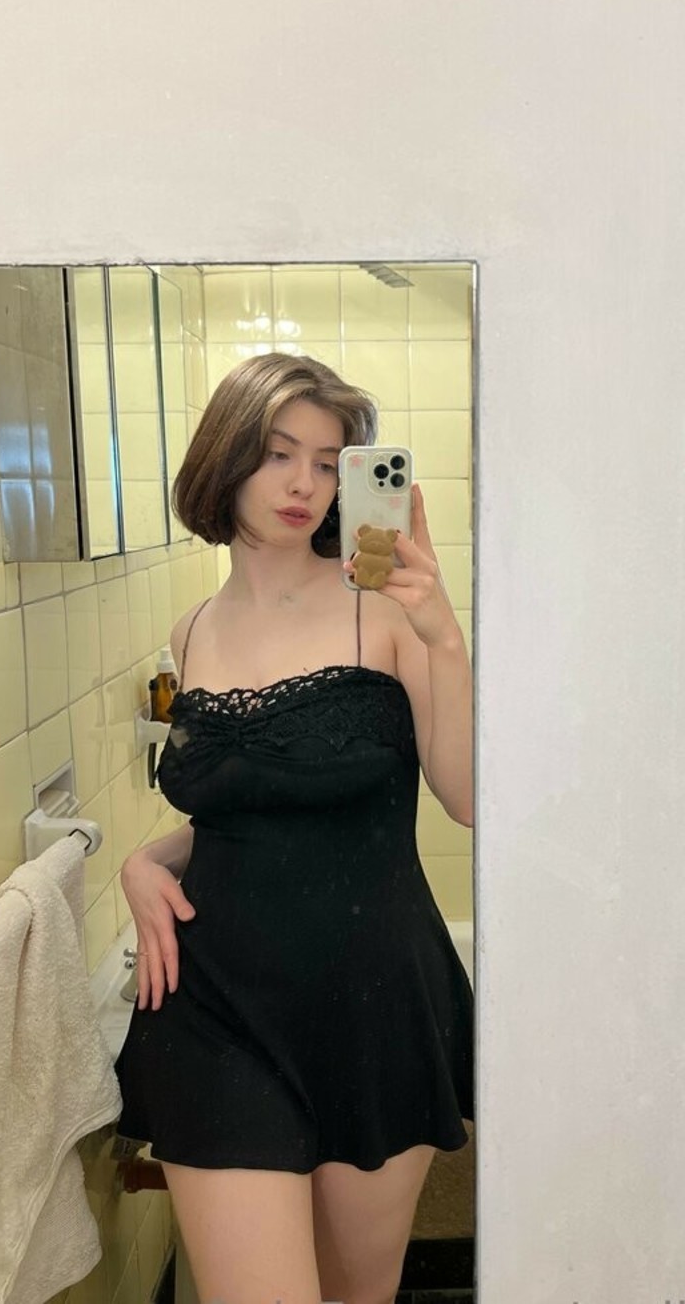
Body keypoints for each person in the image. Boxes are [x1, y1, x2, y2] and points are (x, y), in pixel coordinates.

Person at [113, 352, 474, 1304]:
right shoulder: (192, 630)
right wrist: (146, 858)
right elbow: (246, 813)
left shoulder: (385, 616)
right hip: (215, 1007)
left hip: (374, 1001)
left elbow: (469, 796)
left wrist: (444, 636)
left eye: (325, 461)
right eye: (278, 454)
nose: (303, 484)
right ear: (225, 458)